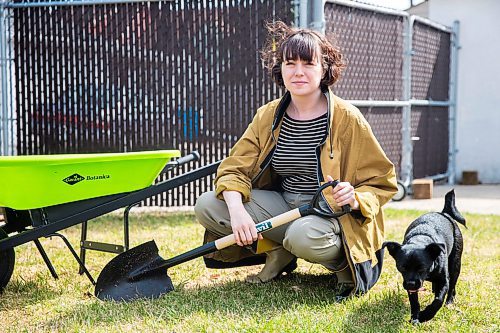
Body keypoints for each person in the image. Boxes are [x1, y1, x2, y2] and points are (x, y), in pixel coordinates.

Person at [194, 21, 397, 296]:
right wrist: (238, 211)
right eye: (290, 63)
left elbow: (382, 182)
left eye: (308, 63)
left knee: (302, 236)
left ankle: (344, 266)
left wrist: (355, 197)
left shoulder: (348, 119)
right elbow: (233, 167)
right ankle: (279, 250)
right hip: (284, 206)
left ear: (324, 68)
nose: (298, 72)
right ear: (281, 69)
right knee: (209, 205)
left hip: (332, 217)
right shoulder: (267, 115)